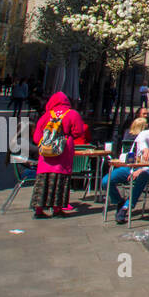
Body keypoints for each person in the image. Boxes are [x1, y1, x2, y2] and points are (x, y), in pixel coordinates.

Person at [30, 91, 90, 219]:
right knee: (60, 179)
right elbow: (79, 131)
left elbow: (36, 137)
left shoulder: (46, 115)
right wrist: (67, 137)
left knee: (43, 179)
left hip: (46, 154)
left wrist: (46, 142)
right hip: (63, 151)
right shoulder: (72, 114)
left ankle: (39, 210)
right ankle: (57, 209)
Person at [105, 116, 149, 224]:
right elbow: (142, 143)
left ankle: (126, 208)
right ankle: (119, 201)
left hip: (147, 170)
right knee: (106, 181)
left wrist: (142, 169)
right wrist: (145, 150)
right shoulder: (145, 134)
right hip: (131, 166)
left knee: (145, 174)